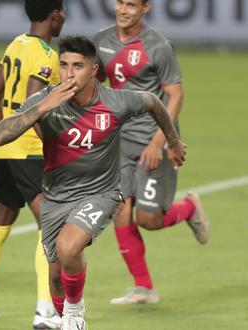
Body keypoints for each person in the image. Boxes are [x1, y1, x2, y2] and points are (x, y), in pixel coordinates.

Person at [0, 35, 186, 330]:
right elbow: (0, 135)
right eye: (64, 65)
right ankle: (67, 319)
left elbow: (153, 101)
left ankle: (76, 314)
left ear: (94, 70)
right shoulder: (45, 100)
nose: (69, 73)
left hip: (102, 192)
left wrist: (172, 140)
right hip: (57, 196)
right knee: (55, 276)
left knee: (70, 249)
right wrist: (43, 108)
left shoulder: (115, 102)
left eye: (78, 66)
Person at [92, 0, 210, 305]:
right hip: (120, 140)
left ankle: (189, 209)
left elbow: (175, 95)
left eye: (131, 4)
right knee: (120, 210)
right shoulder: (101, 40)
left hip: (153, 141)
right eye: (119, 2)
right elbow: (99, 84)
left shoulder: (158, 46)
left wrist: (160, 141)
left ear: (146, 7)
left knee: (148, 219)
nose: (123, 9)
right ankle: (143, 287)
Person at [0, 1, 66, 328]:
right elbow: (32, 103)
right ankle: (45, 311)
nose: (64, 17)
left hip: (8, 152)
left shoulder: (16, 44)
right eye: (63, 12)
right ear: (55, 15)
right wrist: (42, 138)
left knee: (0, 223)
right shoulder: (47, 55)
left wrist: (5, 133)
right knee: (49, 227)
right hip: (31, 153)